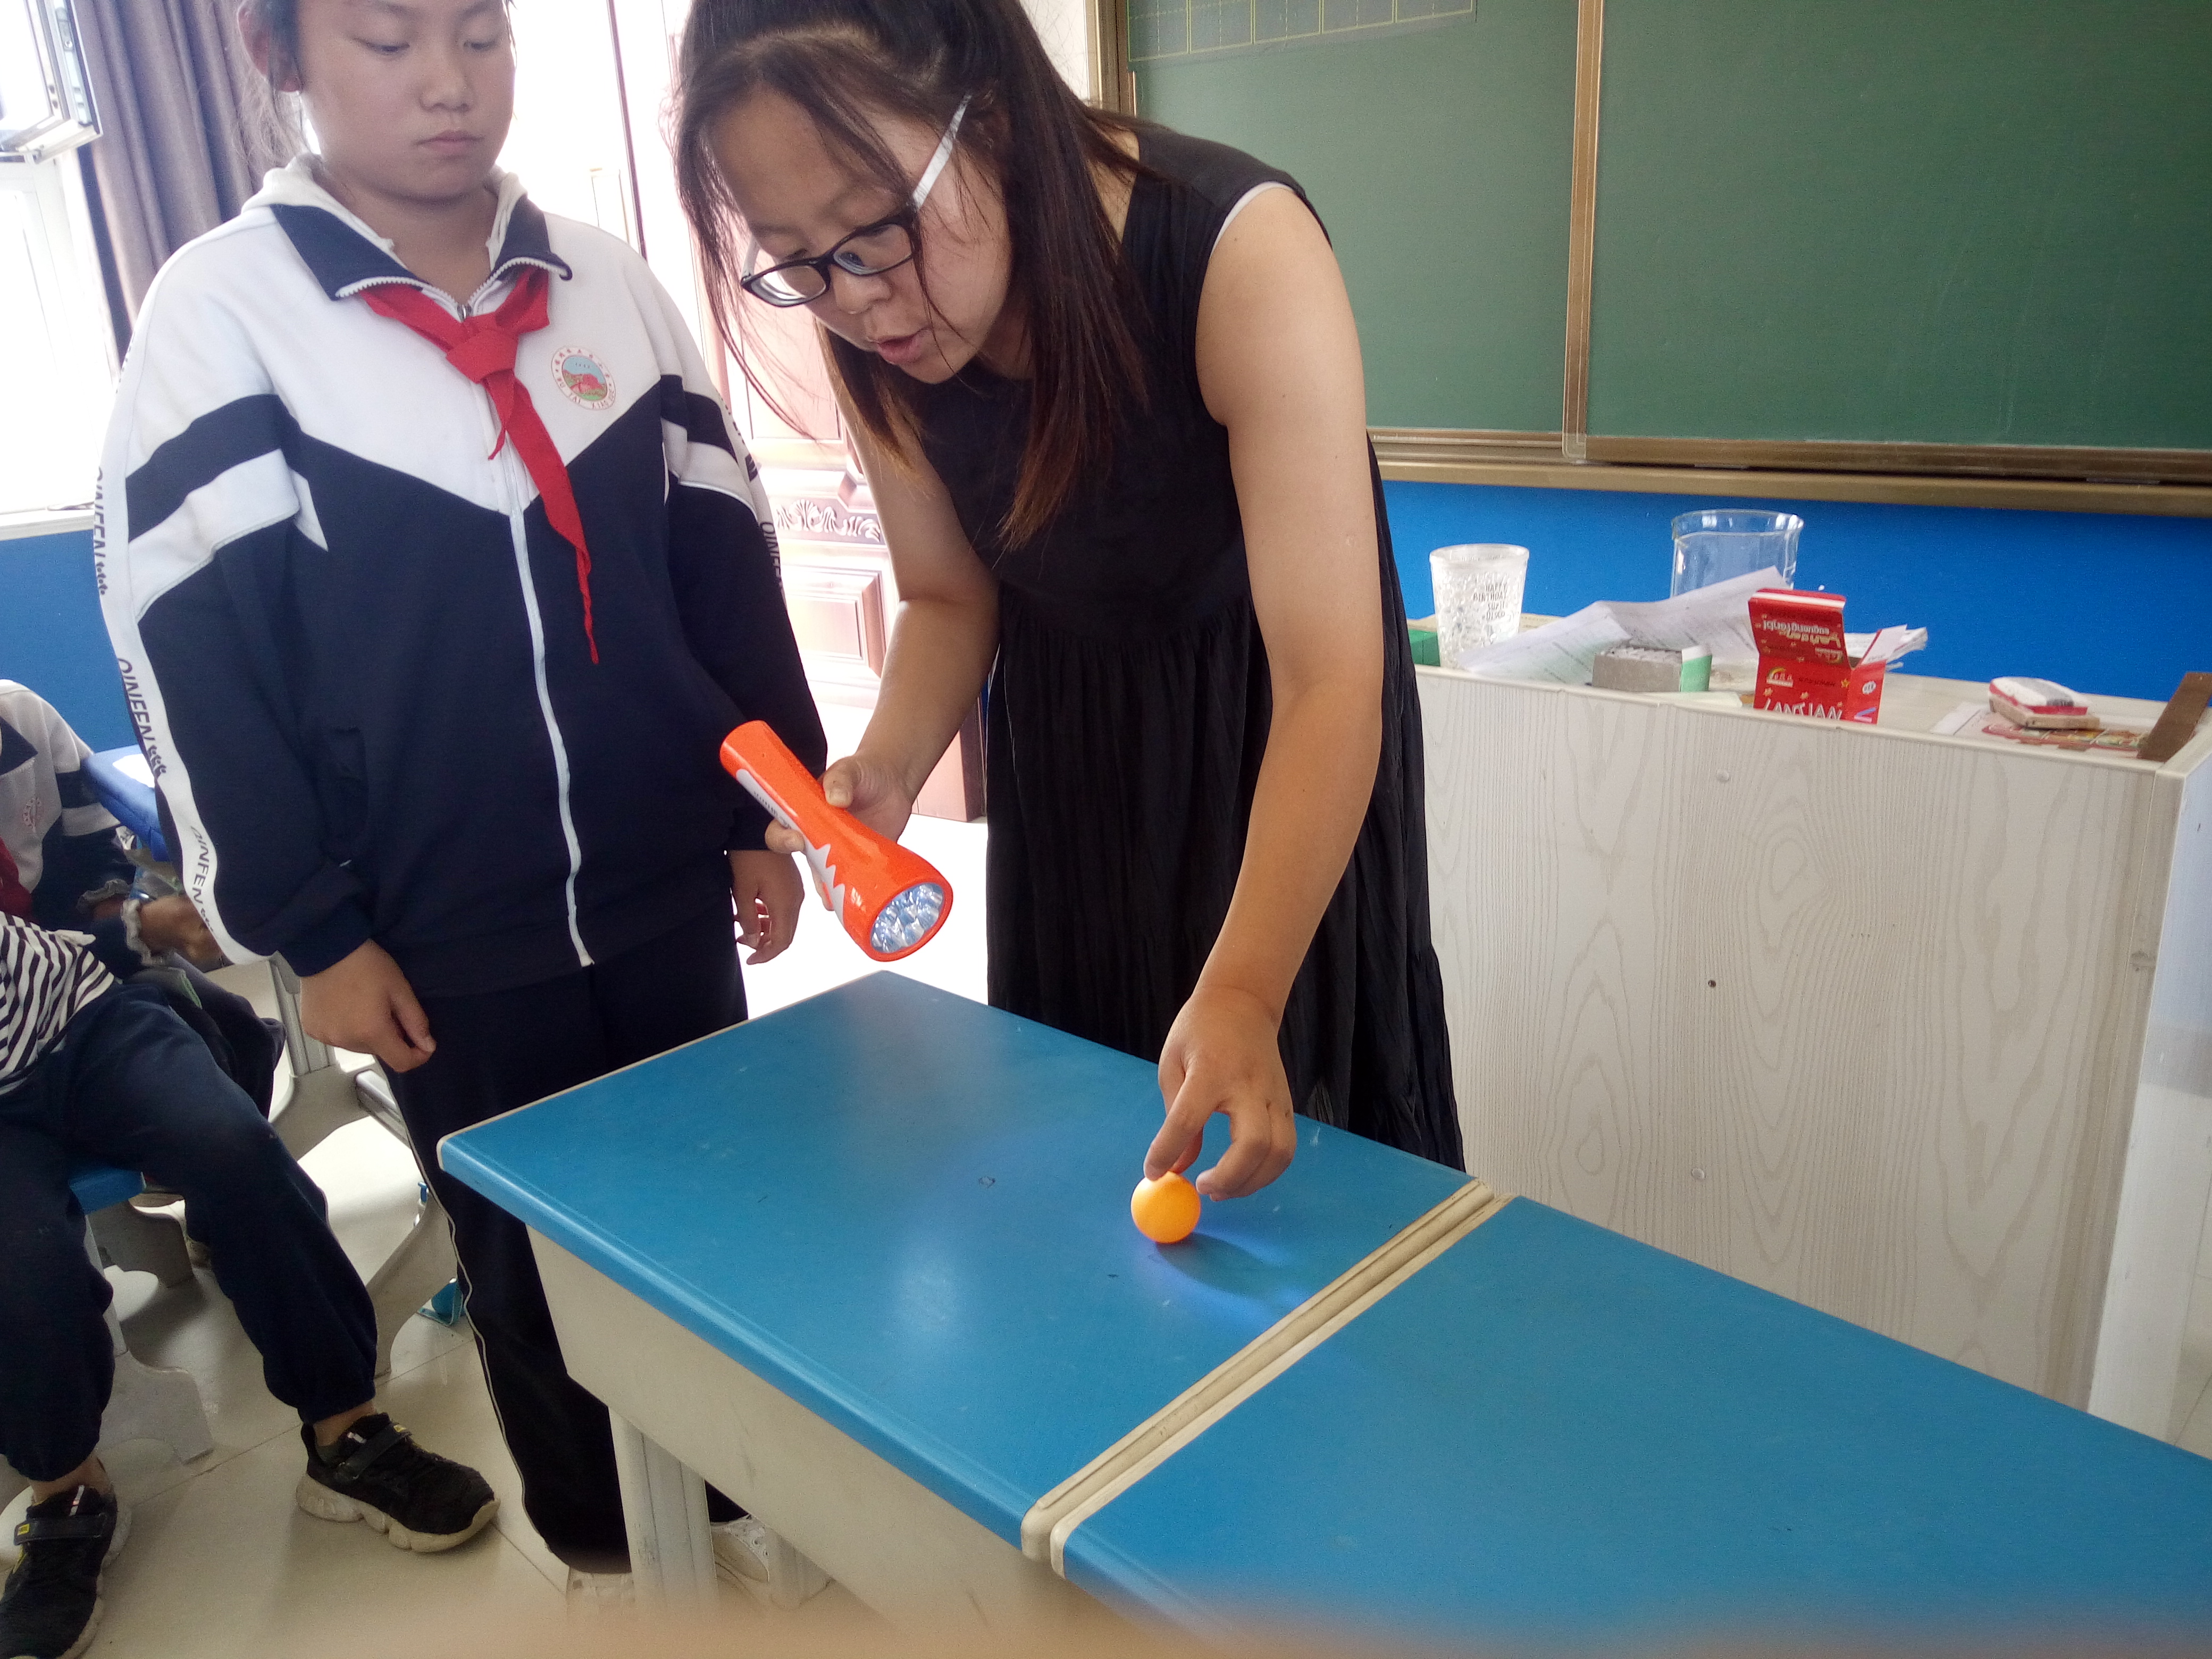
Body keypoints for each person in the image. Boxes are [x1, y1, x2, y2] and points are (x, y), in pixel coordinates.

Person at [96, 0, 824, 1593]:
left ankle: (726, 1495)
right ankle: (612, 1553)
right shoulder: (223, 314)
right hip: (435, 933)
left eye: (481, 36)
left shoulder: (609, 287)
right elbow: (193, 645)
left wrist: (762, 807)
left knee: (717, 1209)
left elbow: (722, 556)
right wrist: (308, 925)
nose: (447, 82)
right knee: (528, 1253)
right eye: (387, 40)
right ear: (282, 59)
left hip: (661, 884)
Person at [672, 0, 1463, 1200]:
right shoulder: (870, 312)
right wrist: (888, 765)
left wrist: (1246, 987)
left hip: (1274, 759)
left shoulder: (1236, 250)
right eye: (796, 262)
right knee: (1090, 1155)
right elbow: (947, 596)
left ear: (986, 114)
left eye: (873, 234)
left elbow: (1331, 679)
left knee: (1304, 1158)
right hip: (1072, 768)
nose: (857, 302)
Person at [0, 907, 497, 1659]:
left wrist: (135, 926)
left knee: (240, 1156)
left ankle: (346, 1432)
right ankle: (67, 1494)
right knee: (23, 1275)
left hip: (74, 1010)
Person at [1, 680, 280, 1112]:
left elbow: (94, 838)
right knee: (197, 1052)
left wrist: (112, 908)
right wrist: (139, 932)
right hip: (26, 1004)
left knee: (242, 1032)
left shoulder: (21, 713)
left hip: (79, 945)